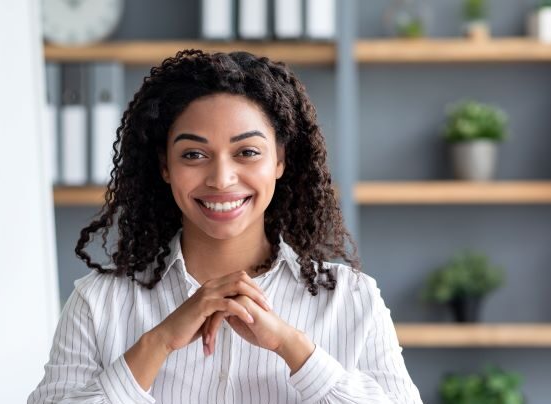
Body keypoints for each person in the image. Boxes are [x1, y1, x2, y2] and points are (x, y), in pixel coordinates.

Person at [28, 49, 423, 403]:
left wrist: (294, 348)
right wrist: (158, 342)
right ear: (165, 166)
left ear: (280, 161)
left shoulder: (351, 301)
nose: (221, 178)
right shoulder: (99, 306)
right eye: (194, 154)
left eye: (247, 152)